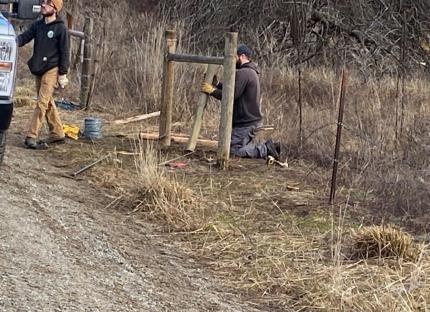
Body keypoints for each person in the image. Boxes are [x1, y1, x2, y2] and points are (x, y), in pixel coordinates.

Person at [201, 44, 280, 160]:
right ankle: (267, 147)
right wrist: (217, 85)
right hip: (250, 122)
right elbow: (233, 89)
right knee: (229, 147)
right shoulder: (250, 72)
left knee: (232, 150)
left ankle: (266, 149)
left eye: (234, 57)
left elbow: (231, 95)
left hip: (246, 124)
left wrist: (212, 91)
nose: (233, 61)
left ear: (242, 56)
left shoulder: (243, 73)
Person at [18, 0, 69, 149]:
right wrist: (11, 41)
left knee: (41, 102)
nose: (43, 5)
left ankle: (31, 136)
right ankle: (58, 133)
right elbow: (24, 37)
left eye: (47, 3)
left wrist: (63, 73)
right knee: (46, 102)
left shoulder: (61, 29)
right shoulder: (38, 25)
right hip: (39, 67)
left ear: (55, 8)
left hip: (52, 69)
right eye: (43, 2)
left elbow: (65, 52)